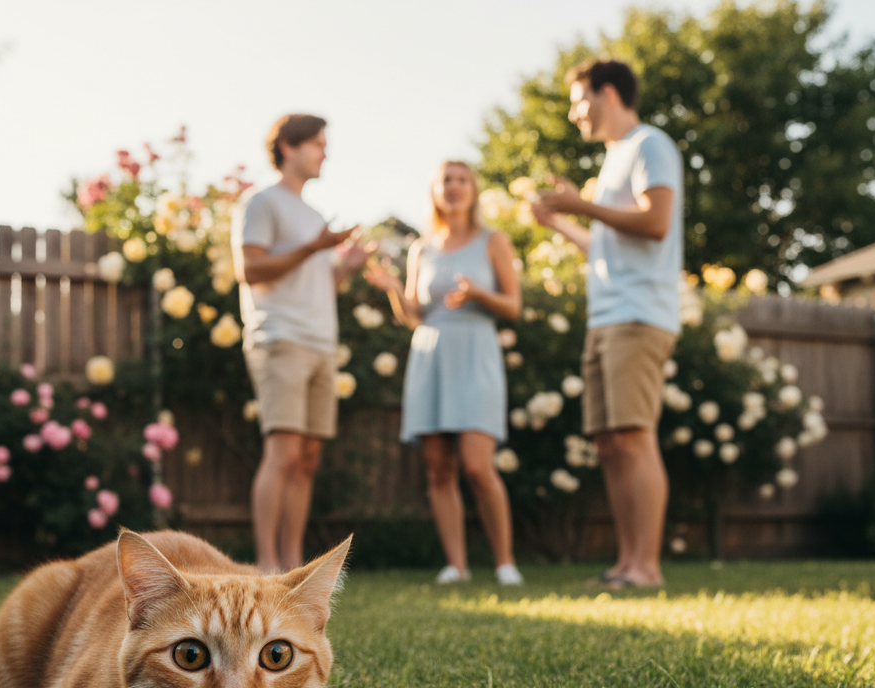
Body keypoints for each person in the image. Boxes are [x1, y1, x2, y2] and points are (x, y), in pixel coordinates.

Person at [531, 59, 683, 588]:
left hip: (640, 314)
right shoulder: (614, 161)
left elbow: (656, 222)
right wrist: (563, 218)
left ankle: (648, 566)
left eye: (580, 99)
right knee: (610, 441)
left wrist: (582, 203)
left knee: (634, 436)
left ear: (608, 93)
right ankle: (626, 562)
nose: (575, 113)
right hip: (608, 316)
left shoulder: (648, 145)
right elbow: (605, 246)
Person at [365, 161, 524, 586]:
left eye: (461, 180)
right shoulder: (422, 248)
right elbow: (416, 316)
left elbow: (513, 307)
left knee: (477, 465)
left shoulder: (494, 241)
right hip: (431, 353)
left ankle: (505, 562)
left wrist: (477, 292)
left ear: (473, 190)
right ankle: (457, 565)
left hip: (476, 351)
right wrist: (396, 290)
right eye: (445, 181)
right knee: (438, 468)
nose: (453, 187)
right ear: (434, 192)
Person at [231, 114, 371, 571]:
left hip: (320, 343)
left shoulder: (311, 216)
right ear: (288, 148)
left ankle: (292, 564)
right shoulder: (261, 203)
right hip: (280, 339)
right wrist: (315, 247)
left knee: (308, 458)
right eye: (317, 144)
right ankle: (267, 562)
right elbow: (250, 270)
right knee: (284, 451)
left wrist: (345, 265)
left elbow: (315, 283)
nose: (324, 153)